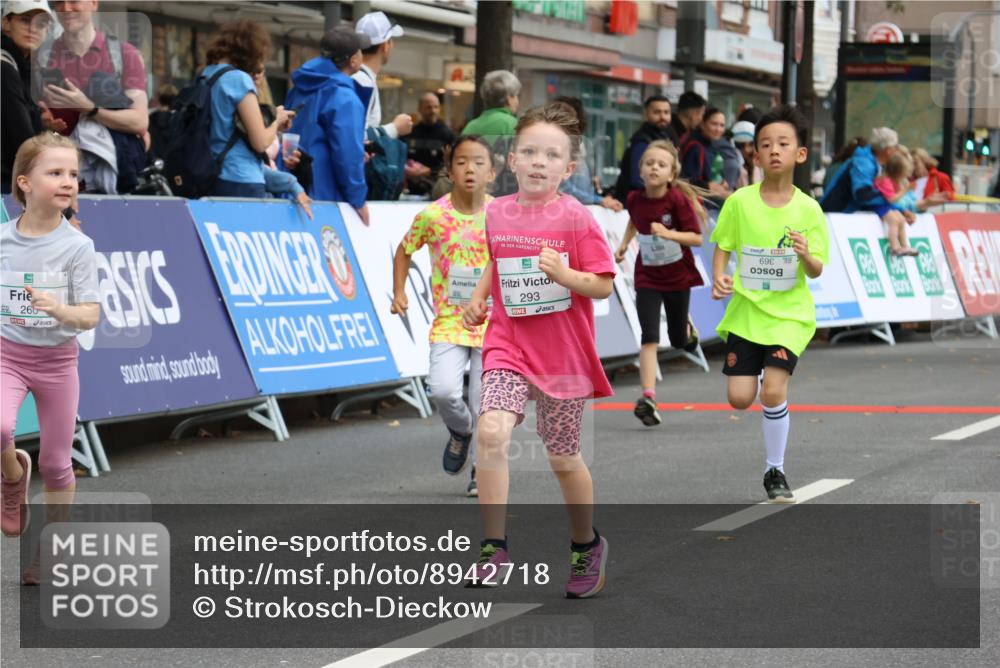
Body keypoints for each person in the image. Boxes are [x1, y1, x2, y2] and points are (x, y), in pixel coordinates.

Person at [461, 103, 615, 599]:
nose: (538, 162)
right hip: (508, 345)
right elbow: (497, 260)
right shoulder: (496, 212)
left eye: (551, 156)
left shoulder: (576, 217)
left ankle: (586, 544)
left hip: (562, 357)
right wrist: (479, 298)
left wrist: (565, 275)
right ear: (512, 159)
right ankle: (493, 547)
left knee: (563, 458)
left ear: (568, 168)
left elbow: (602, 285)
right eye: (529, 152)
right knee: (491, 432)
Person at [710, 104, 829, 504]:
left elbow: (816, 270)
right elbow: (723, 245)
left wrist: (806, 254)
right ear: (755, 155)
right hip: (746, 314)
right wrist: (720, 276)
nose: (774, 150)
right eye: (765, 144)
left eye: (783, 143)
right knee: (740, 397)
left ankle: (774, 470)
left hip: (789, 317)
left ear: (800, 153)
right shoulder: (740, 202)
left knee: (773, 393)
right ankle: (763, 375)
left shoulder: (809, 209)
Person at [1, 133, 99, 584]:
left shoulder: (78, 246)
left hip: (58, 362)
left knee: (57, 463)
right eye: (55, 172)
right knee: (1, 427)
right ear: (24, 182)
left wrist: (59, 309)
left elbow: (90, 315)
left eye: (73, 174)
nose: (67, 181)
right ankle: (11, 475)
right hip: (7, 354)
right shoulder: (3, 240)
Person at [392, 136, 495, 497]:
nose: (470, 169)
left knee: (485, 403)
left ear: (491, 173)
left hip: (492, 323)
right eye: (462, 162)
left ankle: (482, 473)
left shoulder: (502, 214)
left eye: (479, 162)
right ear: (450, 172)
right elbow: (404, 250)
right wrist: (399, 291)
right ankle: (461, 431)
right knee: (444, 390)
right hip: (450, 321)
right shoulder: (433, 216)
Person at [612, 140, 705, 427]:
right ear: (640, 170)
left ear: (671, 174)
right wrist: (625, 244)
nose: (654, 167)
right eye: (649, 163)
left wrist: (668, 233)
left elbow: (696, 238)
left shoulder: (677, 200)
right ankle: (648, 398)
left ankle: (687, 329)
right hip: (648, 276)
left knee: (678, 341)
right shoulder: (634, 198)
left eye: (661, 164)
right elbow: (634, 220)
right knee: (649, 335)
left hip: (677, 276)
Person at [42, 0, 149, 193]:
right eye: (58, 2)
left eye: (74, 1)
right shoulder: (43, 56)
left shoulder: (125, 54)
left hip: (113, 181)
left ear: (93, 3)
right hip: (57, 182)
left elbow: (139, 121)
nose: (66, 8)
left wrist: (89, 109)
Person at [284, 27, 370, 224]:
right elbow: (348, 153)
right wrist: (358, 199)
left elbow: (287, 134)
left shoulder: (299, 88)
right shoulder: (345, 97)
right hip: (325, 195)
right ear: (353, 60)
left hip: (293, 190)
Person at [200, 21, 293, 198]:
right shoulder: (239, 79)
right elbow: (260, 143)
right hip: (240, 176)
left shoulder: (207, 74)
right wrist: (277, 120)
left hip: (210, 172)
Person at [2, 0, 60, 194]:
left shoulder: (26, 68)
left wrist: (41, 124)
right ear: (6, 23)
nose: (33, 28)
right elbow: (23, 143)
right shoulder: (4, 67)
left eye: (41, 24)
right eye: (25, 20)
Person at [553, 96, 621, 210]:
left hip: (580, 206)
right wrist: (598, 200)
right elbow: (563, 187)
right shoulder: (555, 147)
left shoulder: (577, 143)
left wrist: (596, 192)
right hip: (566, 207)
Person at [353, 11, 412, 140]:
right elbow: (354, 136)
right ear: (385, 46)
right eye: (391, 40)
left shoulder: (357, 77)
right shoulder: (362, 82)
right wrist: (395, 128)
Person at [463, 70, 521, 196]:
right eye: (516, 96)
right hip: (504, 193)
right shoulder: (514, 125)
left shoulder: (470, 126)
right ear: (509, 99)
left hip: (473, 193)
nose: (517, 101)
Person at [612, 95, 675, 203]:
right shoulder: (642, 141)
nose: (662, 117)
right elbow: (638, 180)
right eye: (657, 112)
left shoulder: (666, 136)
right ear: (646, 114)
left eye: (666, 112)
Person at [405, 92, 455, 196]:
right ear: (419, 109)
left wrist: (430, 171)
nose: (433, 111)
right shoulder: (410, 133)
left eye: (436, 107)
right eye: (428, 107)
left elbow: (452, 165)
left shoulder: (447, 135)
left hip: (438, 190)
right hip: (412, 191)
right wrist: (407, 170)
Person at [680, 107, 732, 200]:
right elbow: (686, 180)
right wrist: (707, 186)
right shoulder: (695, 147)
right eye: (714, 124)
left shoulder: (711, 144)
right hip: (700, 201)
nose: (718, 129)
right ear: (702, 124)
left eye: (722, 125)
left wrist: (721, 182)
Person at [147, 82, 177, 162]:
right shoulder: (177, 118)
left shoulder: (151, 117)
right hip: (172, 161)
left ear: (159, 98)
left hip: (154, 160)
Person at [731, 119, 761, 187]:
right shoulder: (731, 165)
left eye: (751, 144)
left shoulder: (761, 167)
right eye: (740, 145)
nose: (746, 150)